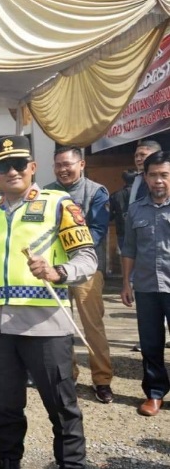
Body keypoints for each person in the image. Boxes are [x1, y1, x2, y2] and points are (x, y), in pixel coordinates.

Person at [0, 135, 97, 469]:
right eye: (3, 166)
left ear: (32, 167)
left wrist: (58, 271)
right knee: (5, 410)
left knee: (62, 407)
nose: (12, 171)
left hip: (46, 326)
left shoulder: (59, 204)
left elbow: (87, 259)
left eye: (19, 164)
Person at [45, 146, 114, 403]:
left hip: (86, 269)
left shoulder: (96, 192)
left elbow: (98, 229)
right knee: (61, 325)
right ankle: (68, 375)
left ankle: (102, 379)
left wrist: (74, 249)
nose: (63, 169)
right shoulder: (46, 191)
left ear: (81, 164)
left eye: (68, 164)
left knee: (91, 325)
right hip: (55, 270)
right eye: (58, 165)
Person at [120, 150, 170, 417]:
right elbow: (129, 249)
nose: (158, 181)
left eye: (164, 175)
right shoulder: (135, 210)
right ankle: (154, 393)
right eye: (153, 175)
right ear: (145, 177)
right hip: (147, 287)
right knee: (150, 344)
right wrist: (127, 283)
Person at [109, 169, 138, 253]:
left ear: (123, 180)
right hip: (139, 232)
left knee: (127, 257)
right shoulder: (142, 194)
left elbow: (109, 216)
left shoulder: (115, 196)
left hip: (122, 232)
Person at [129, 140, 162, 206]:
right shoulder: (138, 179)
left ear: (156, 155)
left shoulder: (165, 178)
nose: (138, 159)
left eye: (142, 155)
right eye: (136, 156)